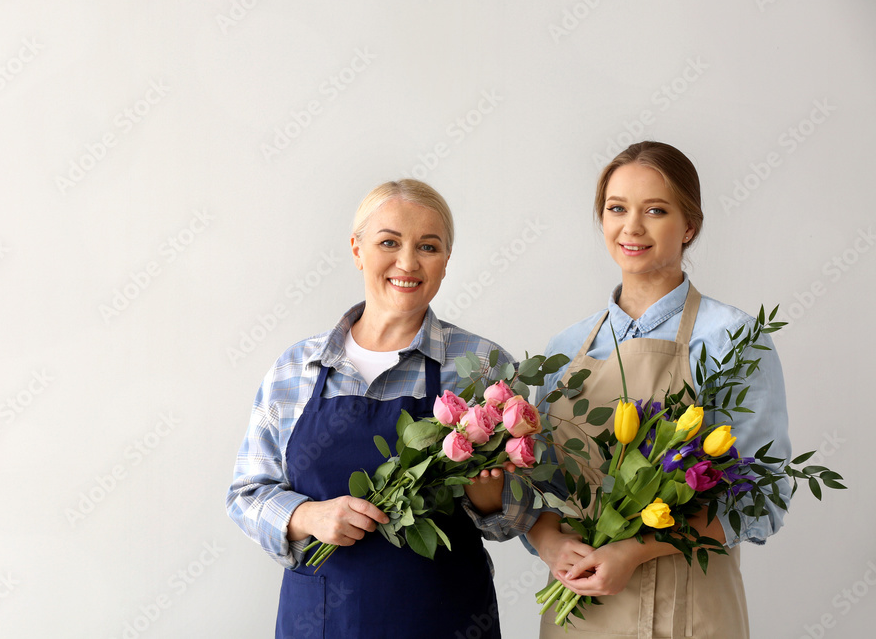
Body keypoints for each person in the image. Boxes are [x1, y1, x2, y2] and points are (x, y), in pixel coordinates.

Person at [226, 179, 535, 639]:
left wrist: (488, 495)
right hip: (322, 623)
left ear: (446, 262)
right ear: (357, 250)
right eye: (389, 242)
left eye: (428, 247)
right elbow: (247, 493)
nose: (407, 263)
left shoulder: (484, 368)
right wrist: (308, 517)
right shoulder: (296, 370)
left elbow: (521, 516)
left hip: (447, 621)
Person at [524, 141, 792, 638]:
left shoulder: (733, 339)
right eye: (617, 209)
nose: (632, 227)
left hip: (689, 612)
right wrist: (547, 543)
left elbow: (763, 495)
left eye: (656, 210)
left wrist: (637, 549)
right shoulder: (565, 348)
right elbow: (537, 486)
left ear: (689, 225)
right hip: (579, 616)